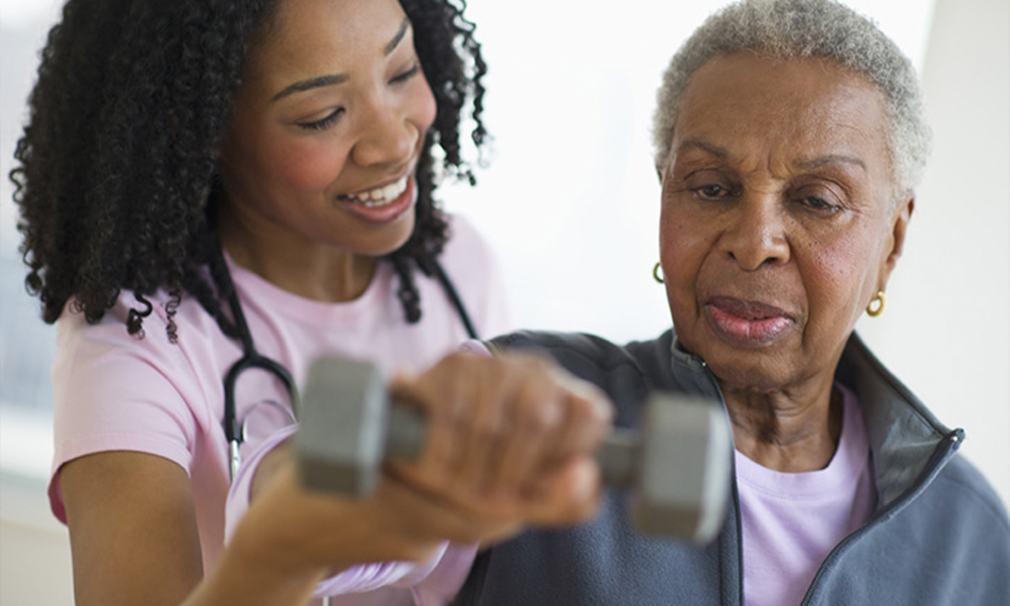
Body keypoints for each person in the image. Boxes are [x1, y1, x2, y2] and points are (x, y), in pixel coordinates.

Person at [222, 0, 1010, 604]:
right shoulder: (525, 397)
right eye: (710, 188)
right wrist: (405, 460)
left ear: (893, 243)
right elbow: (281, 506)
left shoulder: (971, 537)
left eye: (816, 199)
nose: (754, 240)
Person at [10, 0, 512, 604]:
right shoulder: (133, 341)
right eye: (323, 115)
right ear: (200, 127)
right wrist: (283, 547)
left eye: (402, 71)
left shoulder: (460, 264)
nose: (391, 141)